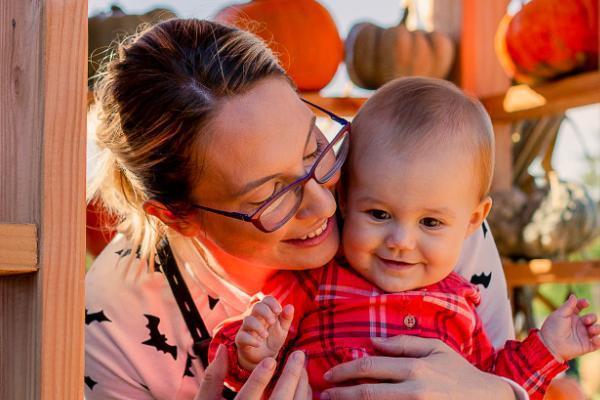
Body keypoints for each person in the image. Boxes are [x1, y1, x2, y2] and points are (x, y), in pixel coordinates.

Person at [86, 18, 527, 399]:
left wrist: (497, 393)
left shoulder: (421, 207)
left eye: (313, 145)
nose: (323, 202)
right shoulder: (112, 328)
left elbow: (507, 368)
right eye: (270, 195)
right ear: (175, 216)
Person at [209, 77, 600, 400]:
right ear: (344, 198)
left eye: (430, 223)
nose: (400, 240)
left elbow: (496, 382)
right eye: (379, 215)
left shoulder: (462, 307)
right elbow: (240, 362)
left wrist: (548, 348)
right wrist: (253, 352)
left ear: (472, 221)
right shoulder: (315, 281)